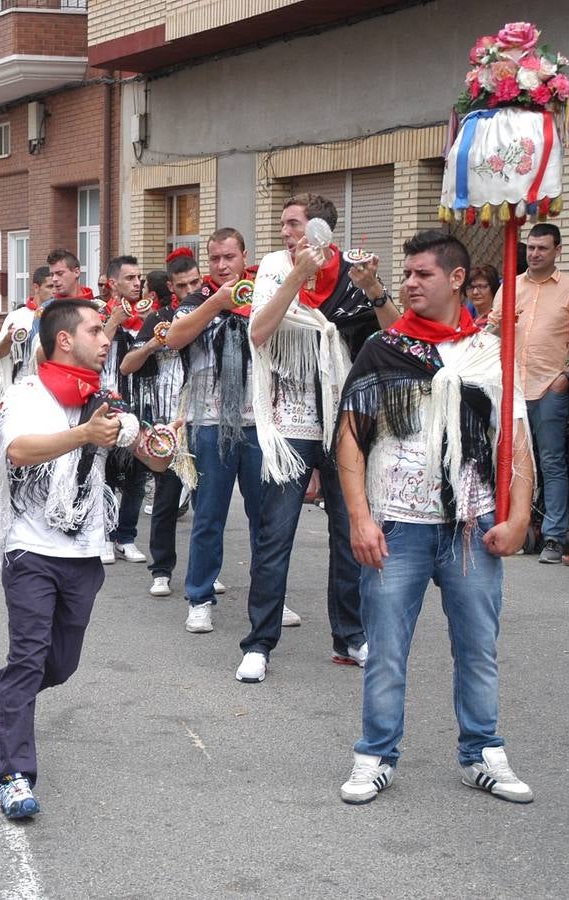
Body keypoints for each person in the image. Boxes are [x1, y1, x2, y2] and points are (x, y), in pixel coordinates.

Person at [335, 230, 534, 806]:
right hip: (396, 526)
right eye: (406, 274)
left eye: (422, 274)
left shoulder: (491, 353)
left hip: (472, 528)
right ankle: (375, 755)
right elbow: (350, 439)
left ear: (457, 278)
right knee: (385, 650)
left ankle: (482, 754)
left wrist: (519, 518)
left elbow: (515, 443)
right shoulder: (383, 349)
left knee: (478, 648)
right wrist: (359, 519)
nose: (409, 284)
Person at [0, 299, 170, 820]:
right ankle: (14, 774)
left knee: (59, 665)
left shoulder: (106, 398)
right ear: (64, 339)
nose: (106, 339)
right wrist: (84, 434)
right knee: (29, 657)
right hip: (30, 547)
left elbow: (147, 455)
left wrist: (161, 448)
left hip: (84, 548)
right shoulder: (25, 394)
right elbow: (18, 451)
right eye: (96, 330)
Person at [239, 193, 397, 683]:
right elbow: (259, 332)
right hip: (289, 420)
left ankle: (349, 635)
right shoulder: (272, 268)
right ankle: (259, 643)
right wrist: (296, 276)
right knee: (275, 535)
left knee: (348, 533)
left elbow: (396, 338)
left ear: (321, 231)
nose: (284, 233)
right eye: (283, 225)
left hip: (345, 419)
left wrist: (375, 290)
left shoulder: (353, 274)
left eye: (293, 224)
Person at [162, 230, 298, 633]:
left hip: (261, 425)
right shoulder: (195, 301)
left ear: (244, 256)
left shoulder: (263, 296)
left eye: (230, 257)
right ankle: (199, 598)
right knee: (208, 516)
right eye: (216, 258)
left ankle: (270, 599)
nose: (223, 265)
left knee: (266, 519)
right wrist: (216, 303)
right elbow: (174, 338)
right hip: (209, 425)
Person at [488, 223, 569, 564]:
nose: (534, 253)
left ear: (558, 250)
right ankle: (512, 528)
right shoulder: (510, 287)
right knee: (510, 460)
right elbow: (490, 332)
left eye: (542, 248)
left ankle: (554, 536)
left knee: (551, 462)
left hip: (549, 388)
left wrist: (566, 377)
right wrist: (499, 325)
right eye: (530, 247)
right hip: (511, 388)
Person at [119, 251, 193, 596]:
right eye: (183, 285)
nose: (190, 290)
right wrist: (152, 343)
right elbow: (127, 366)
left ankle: (207, 571)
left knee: (209, 504)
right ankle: (161, 570)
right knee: (166, 498)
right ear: (172, 288)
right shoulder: (158, 318)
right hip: (166, 424)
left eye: (195, 283)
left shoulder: (208, 313)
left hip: (201, 418)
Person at [98, 256, 149, 567]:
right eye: (129, 278)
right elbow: (92, 351)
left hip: (140, 401)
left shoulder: (146, 315)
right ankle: (104, 535)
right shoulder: (98, 313)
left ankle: (126, 537)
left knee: (136, 476)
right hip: (107, 401)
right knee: (104, 474)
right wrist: (113, 321)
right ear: (112, 283)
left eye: (139, 278)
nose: (136, 283)